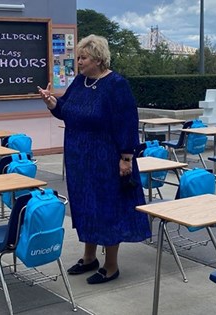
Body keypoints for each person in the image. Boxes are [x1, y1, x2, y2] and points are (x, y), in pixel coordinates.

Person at [37, 34, 151, 284]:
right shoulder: (80, 82)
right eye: (78, 57)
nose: (78, 62)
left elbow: (127, 122)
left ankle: (111, 266)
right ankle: (89, 258)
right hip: (79, 159)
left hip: (106, 158)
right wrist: (51, 102)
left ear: (98, 59)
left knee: (107, 208)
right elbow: (64, 110)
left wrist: (126, 158)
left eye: (83, 57)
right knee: (85, 205)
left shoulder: (116, 84)